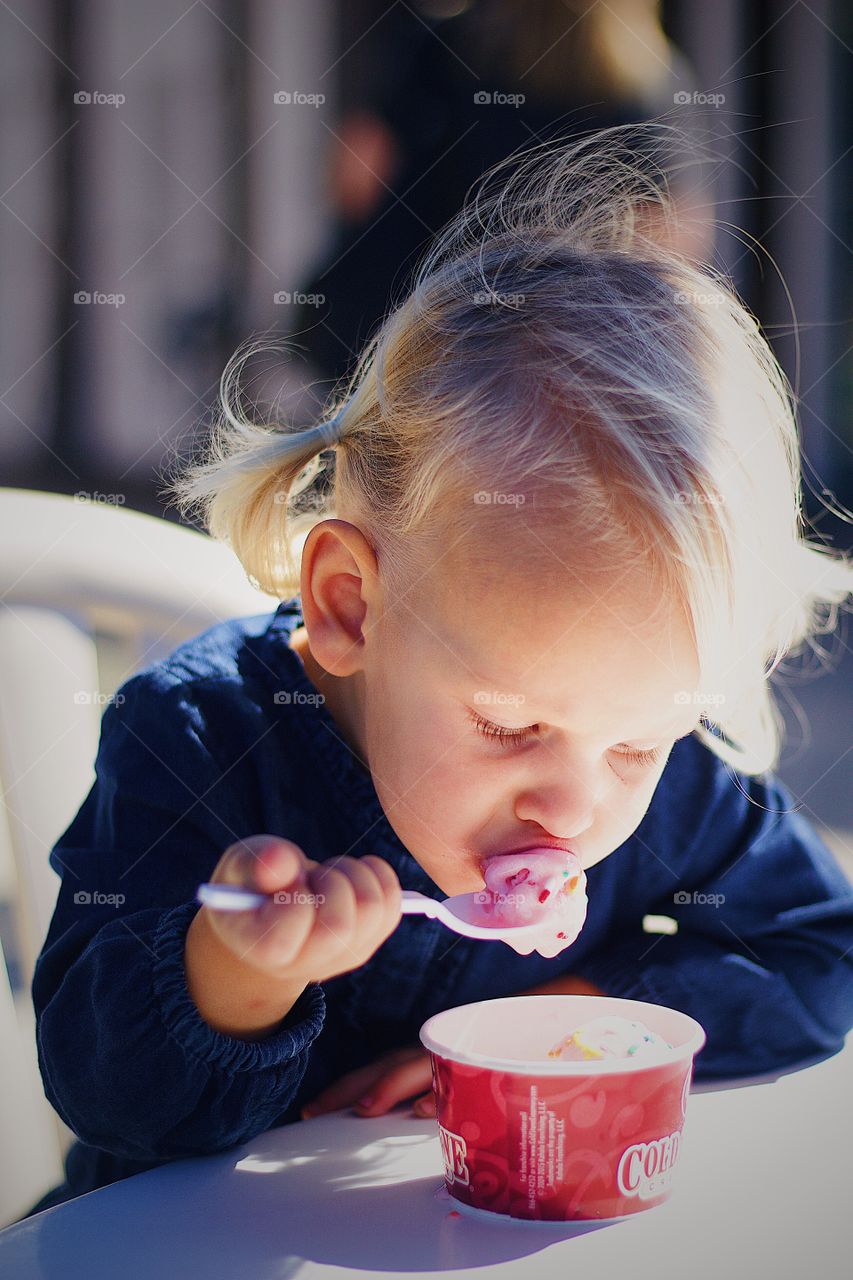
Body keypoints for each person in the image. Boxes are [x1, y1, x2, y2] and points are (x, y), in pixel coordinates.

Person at [20, 124, 853, 1219]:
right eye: (509, 727)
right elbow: (100, 1087)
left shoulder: (649, 779)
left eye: (638, 740)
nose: (574, 802)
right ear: (348, 604)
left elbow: (815, 949)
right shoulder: (204, 739)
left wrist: (580, 1000)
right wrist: (240, 976)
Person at [294, 0, 715, 391]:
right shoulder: (648, 83)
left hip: (418, 348)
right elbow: (672, 239)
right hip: (567, 370)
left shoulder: (449, 51)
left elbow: (356, 174)